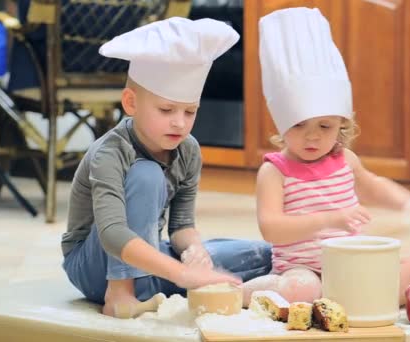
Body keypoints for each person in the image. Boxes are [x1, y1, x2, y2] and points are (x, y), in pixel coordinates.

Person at [61, 17, 271, 317]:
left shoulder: (188, 150)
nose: (179, 122)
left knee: (260, 254)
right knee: (146, 174)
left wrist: (193, 252)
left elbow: (181, 226)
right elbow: (113, 234)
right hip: (94, 266)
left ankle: (155, 284)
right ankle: (120, 295)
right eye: (166, 110)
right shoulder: (109, 152)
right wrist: (181, 274)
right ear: (131, 103)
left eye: (190, 111)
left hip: (148, 253)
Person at [242, 7, 410, 307]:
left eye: (324, 126)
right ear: (281, 124)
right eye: (298, 125)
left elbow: (373, 186)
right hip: (303, 270)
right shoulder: (275, 172)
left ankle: (342, 300)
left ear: (341, 125)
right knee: (302, 290)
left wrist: (409, 202)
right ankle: (242, 293)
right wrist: (329, 219)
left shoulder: (344, 160)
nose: (312, 136)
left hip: (352, 263)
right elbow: (271, 228)